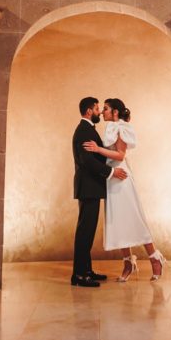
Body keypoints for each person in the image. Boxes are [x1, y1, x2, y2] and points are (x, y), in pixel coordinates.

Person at [84, 98, 167, 282]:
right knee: (118, 222)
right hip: (111, 178)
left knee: (133, 218)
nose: (102, 112)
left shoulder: (121, 127)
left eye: (105, 109)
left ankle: (155, 258)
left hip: (121, 177)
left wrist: (98, 150)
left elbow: (120, 154)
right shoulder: (110, 128)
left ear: (115, 112)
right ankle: (128, 262)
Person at [71, 96, 128, 287]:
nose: (99, 112)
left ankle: (87, 270)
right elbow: (87, 161)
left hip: (91, 187)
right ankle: (79, 276)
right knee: (84, 232)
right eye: (97, 109)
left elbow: (96, 155)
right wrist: (111, 172)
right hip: (88, 187)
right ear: (89, 111)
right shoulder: (84, 131)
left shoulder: (88, 129)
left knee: (88, 231)